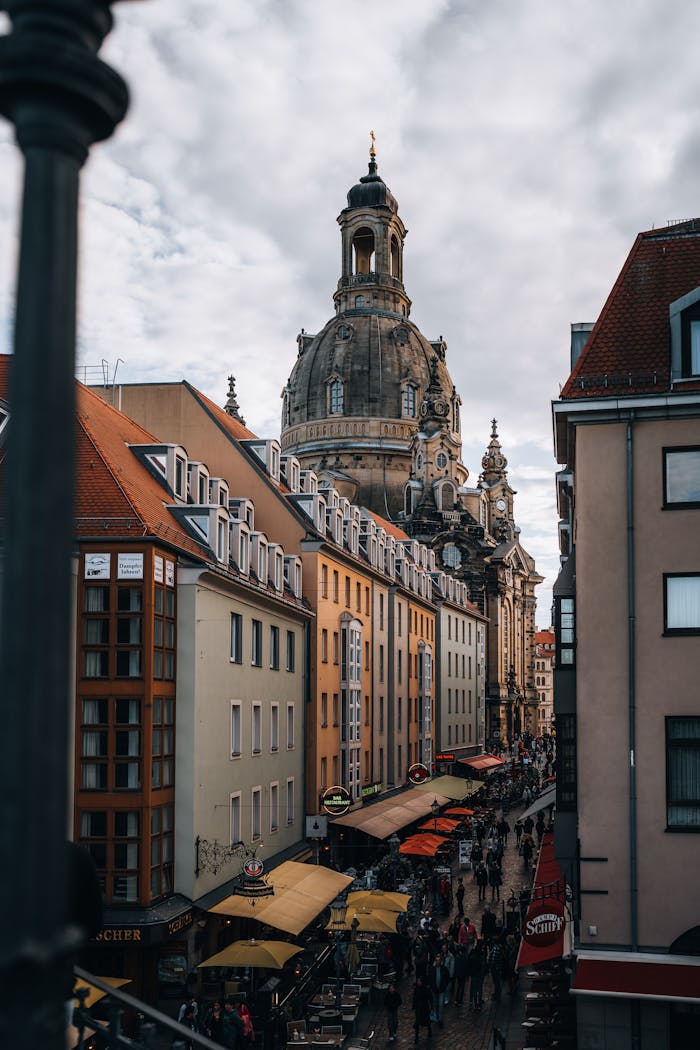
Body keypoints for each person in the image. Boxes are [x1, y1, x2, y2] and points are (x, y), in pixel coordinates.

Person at [412, 976, 433, 1043]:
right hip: (418, 1008)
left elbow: (430, 998)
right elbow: (414, 997)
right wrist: (414, 1006)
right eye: (418, 981)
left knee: (427, 1021)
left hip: (425, 1008)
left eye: (419, 981)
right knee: (417, 1022)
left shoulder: (426, 989)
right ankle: (416, 1038)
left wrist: (432, 1007)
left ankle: (429, 1030)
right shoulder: (416, 988)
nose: (418, 982)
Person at [468, 941, 486, 1012]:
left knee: (475, 989)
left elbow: (469, 962)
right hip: (479, 974)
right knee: (479, 989)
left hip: (474, 974)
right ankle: (478, 1004)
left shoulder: (473, 952)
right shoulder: (481, 953)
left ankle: (475, 1004)